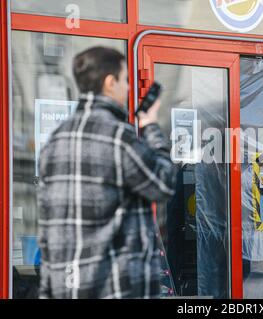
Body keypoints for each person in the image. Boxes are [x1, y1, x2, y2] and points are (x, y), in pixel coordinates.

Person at [37, 46, 177, 298]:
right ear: (109, 82)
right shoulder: (118, 137)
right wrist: (151, 127)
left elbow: (48, 228)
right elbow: (164, 183)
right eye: (125, 80)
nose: (128, 88)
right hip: (116, 287)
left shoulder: (54, 141)